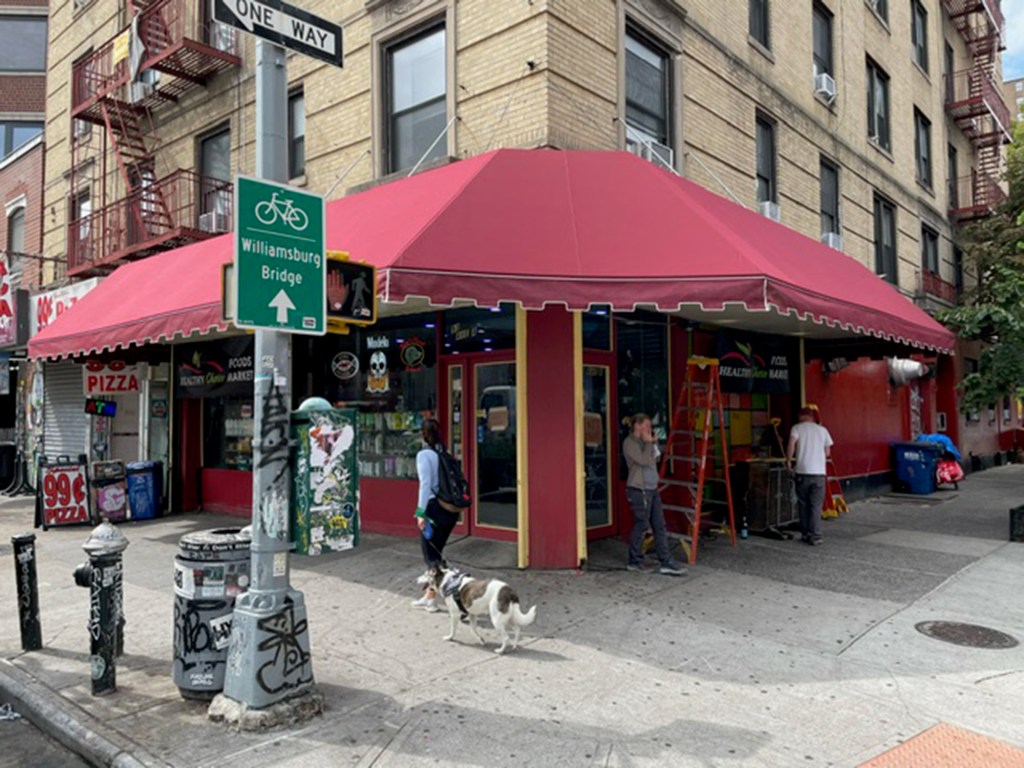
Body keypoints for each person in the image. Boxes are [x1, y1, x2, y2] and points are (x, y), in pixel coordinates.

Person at [623, 413, 687, 576]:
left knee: (659, 525)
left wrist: (653, 444)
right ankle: (634, 560)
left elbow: (655, 459)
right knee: (642, 524)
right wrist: (648, 444)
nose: (650, 429)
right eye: (647, 426)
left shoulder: (647, 443)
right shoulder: (630, 443)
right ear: (638, 426)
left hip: (652, 488)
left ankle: (666, 560)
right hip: (639, 488)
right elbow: (643, 460)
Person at [411, 417, 461, 610]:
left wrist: (420, 512)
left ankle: (454, 596)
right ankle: (430, 596)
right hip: (449, 510)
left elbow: (425, 485)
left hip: (433, 509)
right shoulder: (444, 454)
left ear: (423, 435)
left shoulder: (424, 455)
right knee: (437, 555)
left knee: (431, 558)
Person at [786, 407, 834, 546]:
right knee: (816, 506)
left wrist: (789, 462)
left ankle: (806, 533)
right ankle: (816, 536)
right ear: (812, 417)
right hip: (819, 473)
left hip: (802, 472)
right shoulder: (822, 430)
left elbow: (791, 445)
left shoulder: (796, 428)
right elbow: (828, 453)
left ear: (802, 417)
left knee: (803, 504)